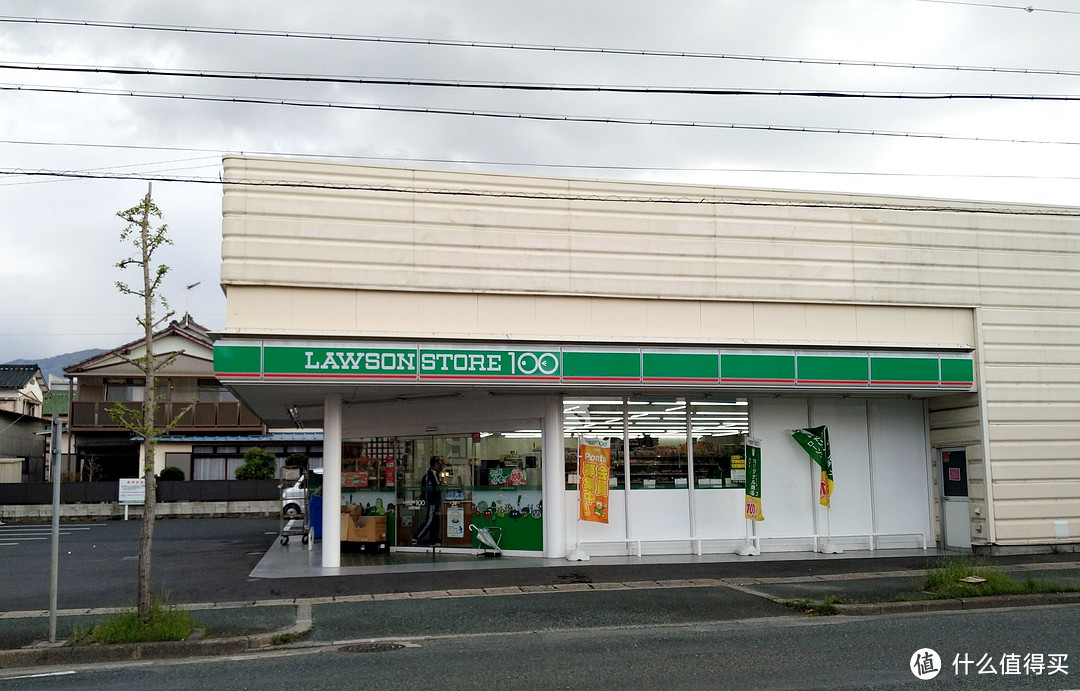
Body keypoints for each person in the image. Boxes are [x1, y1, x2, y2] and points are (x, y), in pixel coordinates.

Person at [412, 456, 443, 545]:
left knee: (435, 522)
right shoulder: (432, 474)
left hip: (433, 501)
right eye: (438, 464)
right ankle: (416, 537)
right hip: (432, 502)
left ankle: (433, 540)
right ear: (435, 465)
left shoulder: (428, 475)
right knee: (429, 521)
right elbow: (437, 487)